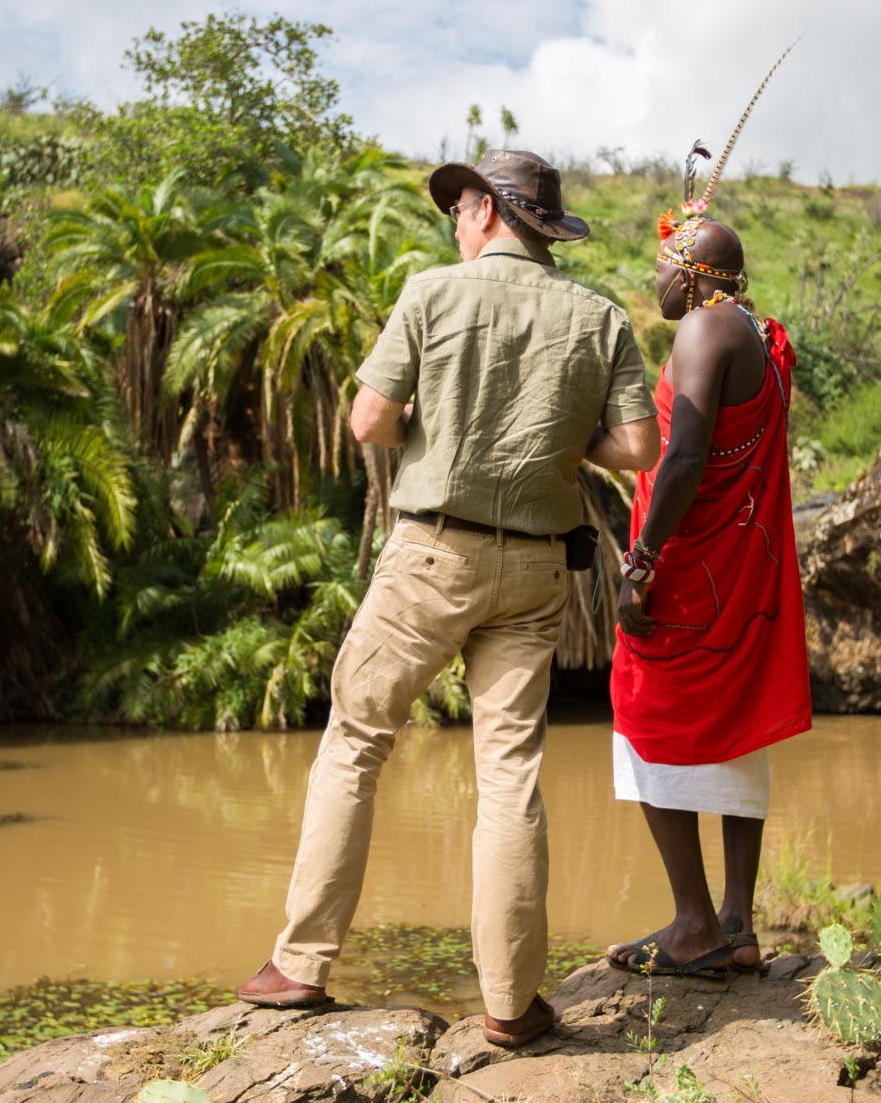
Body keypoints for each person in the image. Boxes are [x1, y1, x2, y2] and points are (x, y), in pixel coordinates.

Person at [236, 150, 661, 1047]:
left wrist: (437, 427)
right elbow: (636, 447)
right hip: (538, 569)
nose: (453, 223)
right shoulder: (599, 316)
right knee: (510, 776)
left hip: (430, 555)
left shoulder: (435, 293)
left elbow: (368, 420)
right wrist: (555, 438)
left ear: (485, 213)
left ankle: (300, 966)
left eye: (459, 208)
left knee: (356, 741)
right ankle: (511, 1004)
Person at [605, 200, 813, 978]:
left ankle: (694, 926)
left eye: (660, 267)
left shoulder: (701, 329)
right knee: (735, 725)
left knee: (644, 709)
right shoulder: (756, 333)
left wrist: (643, 561)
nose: (653, 279)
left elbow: (687, 455)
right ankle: (736, 920)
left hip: (692, 566)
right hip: (738, 563)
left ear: (692, 275)